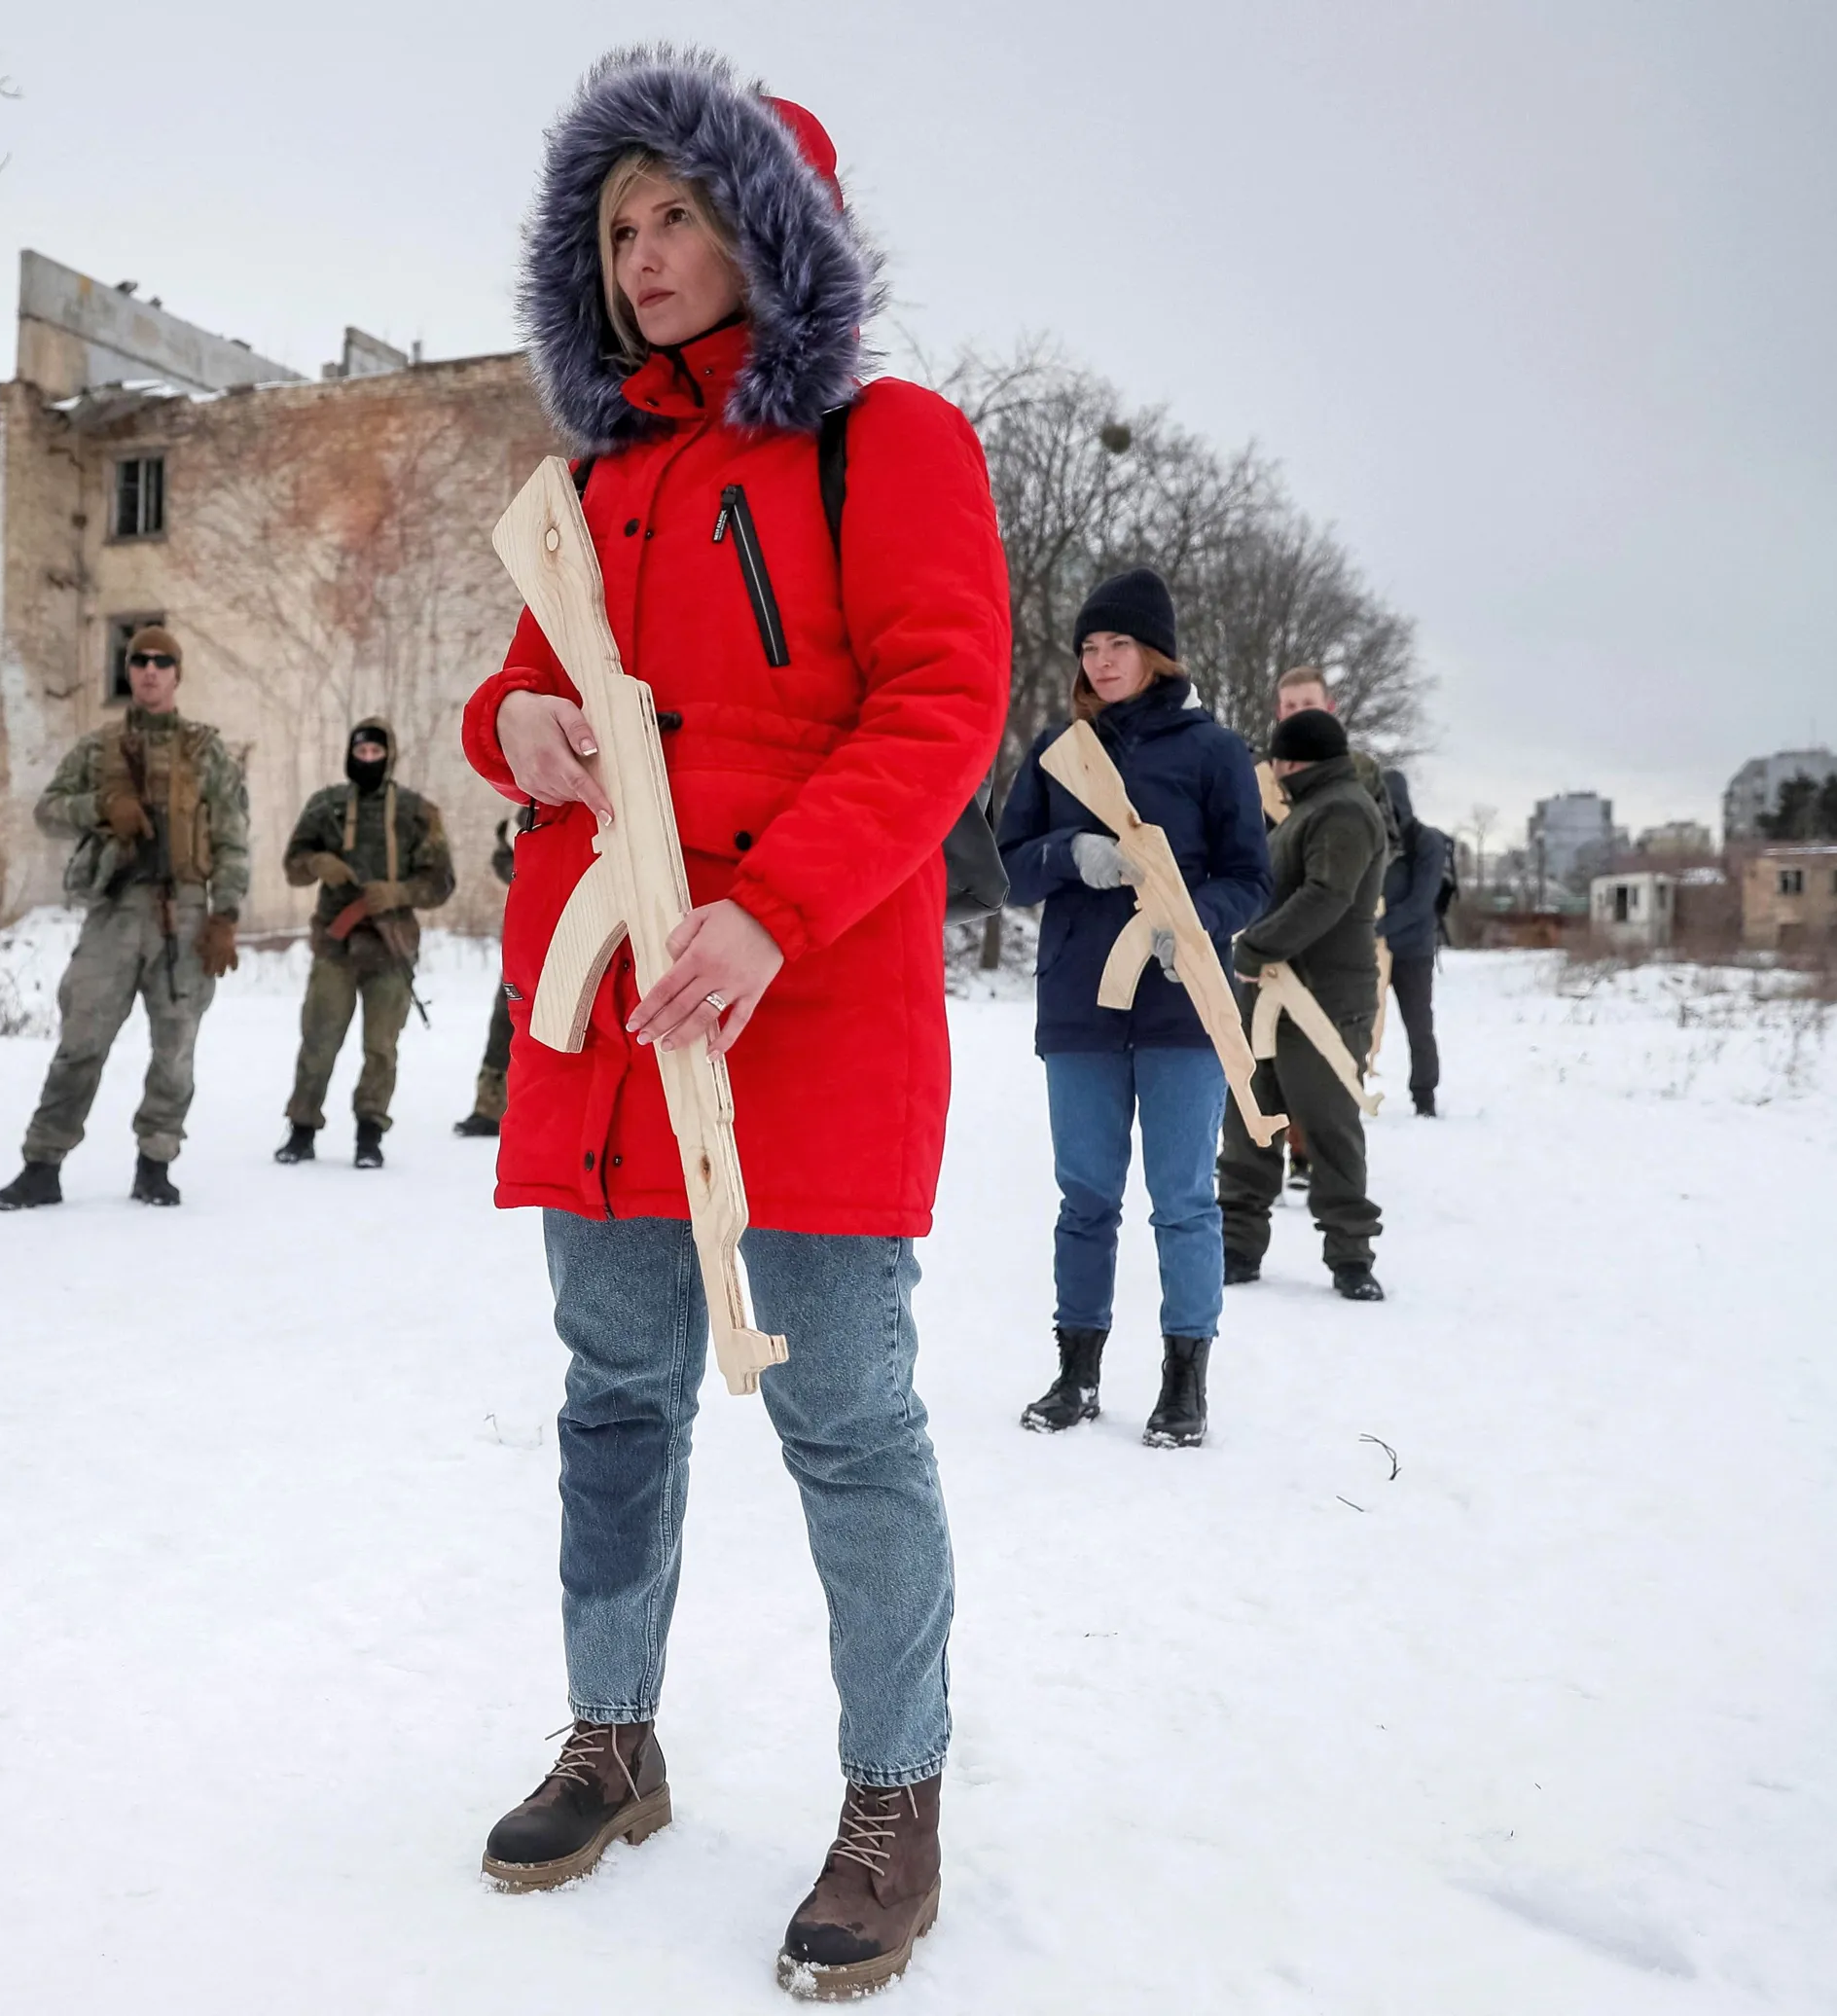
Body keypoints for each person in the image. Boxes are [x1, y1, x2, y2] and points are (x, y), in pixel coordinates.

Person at [461, 53, 1007, 1999]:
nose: (644, 252)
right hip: (610, 1026)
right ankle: (612, 1738)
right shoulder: (591, 488)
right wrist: (512, 728)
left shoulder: (889, 444)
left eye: (680, 212)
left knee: (846, 1415)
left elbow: (942, 705)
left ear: (773, 226)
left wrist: (772, 911)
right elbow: (519, 697)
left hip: (810, 1002)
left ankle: (893, 1796)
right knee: (614, 1393)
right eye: (617, 226)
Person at [996, 568, 1269, 1448]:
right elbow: (1005, 869)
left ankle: (1185, 1383)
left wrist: (1190, 923)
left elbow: (1251, 879)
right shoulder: (1058, 750)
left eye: (1118, 644)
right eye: (1089, 646)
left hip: (1185, 1006)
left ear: (1157, 653)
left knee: (1184, 1199)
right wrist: (1070, 854)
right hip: (1079, 1005)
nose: (1101, 661)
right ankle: (1076, 1374)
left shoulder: (1215, 752)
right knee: (1085, 1198)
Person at [0, 626, 250, 1208]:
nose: (150, 670)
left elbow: (233, 838)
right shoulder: (98, 748)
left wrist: (226, 915)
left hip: (184, 914)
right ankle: (42, 1163)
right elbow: (49, 811)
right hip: (114, 910)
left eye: (162, 662)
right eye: (139, 661)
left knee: (175, 1046)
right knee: (81, 1039)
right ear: (128, 671)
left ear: (177, 674)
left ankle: (155, 1162)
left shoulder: (206, 752)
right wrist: (103, 805)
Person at [1218, 706, 1390, 1300]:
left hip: (1324, 1000)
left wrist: (1254, 946)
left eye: (1278, 762)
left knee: (1328, 1128)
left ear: (1295, 762)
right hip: (1272, 994)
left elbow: (1327, 895)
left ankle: (1351, 1257)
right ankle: (1237, 1247)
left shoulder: (1343, 811)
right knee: (1250, 1119)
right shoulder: (1312, 809)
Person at [276, 717, 452, 1169]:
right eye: (361, 752)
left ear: (388, 757)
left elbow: (441, 883)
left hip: (389, 947)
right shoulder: (326, 806)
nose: (368, 759)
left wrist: (398, 893)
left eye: (376, 752)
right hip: (335, 946)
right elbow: (293, 866)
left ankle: (370, 1133)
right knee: (318, 1041)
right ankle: (301, 1129)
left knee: (380, 1047)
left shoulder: (416, 812)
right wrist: (318, 862)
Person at [1379, 769, 1453, 1117]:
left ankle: (1425, 1096)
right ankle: (1349, 1092)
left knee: (1419, 1025)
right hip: (1373, 950)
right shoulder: (1373, 837)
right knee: (1358, 1024)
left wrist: (1376, 928)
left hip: (1413, 950)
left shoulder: (1427, 842)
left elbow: (1421, 901)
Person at [454, 815, 521, 1137]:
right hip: (529, 938)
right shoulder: (533, 809)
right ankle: (490, 1108)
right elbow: (507, 861)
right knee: (505, 1021)